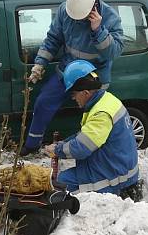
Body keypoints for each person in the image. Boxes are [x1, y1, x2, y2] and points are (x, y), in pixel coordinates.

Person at [23, 0, 124, 155]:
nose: (78, 20)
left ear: (93, 5)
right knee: (43, 103)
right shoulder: (65, 10)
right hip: (67, 72)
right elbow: (53, 39)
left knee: (92, 117)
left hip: (93, 78)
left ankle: (87, 150)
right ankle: (32, 145)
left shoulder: (110, 17)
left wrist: (98, 30)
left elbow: (114, 53)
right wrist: (40, 64)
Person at [42, 60, 139, 196]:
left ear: (86, 93)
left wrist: (57, 150)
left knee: (57, 183)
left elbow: (82, 148)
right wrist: (62, 144)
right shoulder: (105, 100)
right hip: (115, 164)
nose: (73, 98)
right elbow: (85, 136)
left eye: (74, 94)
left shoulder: (101, 114)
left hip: (115, 177)